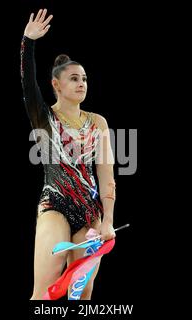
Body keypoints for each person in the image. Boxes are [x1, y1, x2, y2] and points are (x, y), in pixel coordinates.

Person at [21, 9, 116, 300]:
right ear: (56, 84)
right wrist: (28, 42)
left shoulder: (98, 122)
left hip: (90, 213)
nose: (81, 83)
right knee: (43, 293)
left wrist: (108, 220)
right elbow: (27, 84)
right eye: (74, 78)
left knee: (82, 294)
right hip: (55, 205)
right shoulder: (43, 117)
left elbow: (105, 174)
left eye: (84, 79)